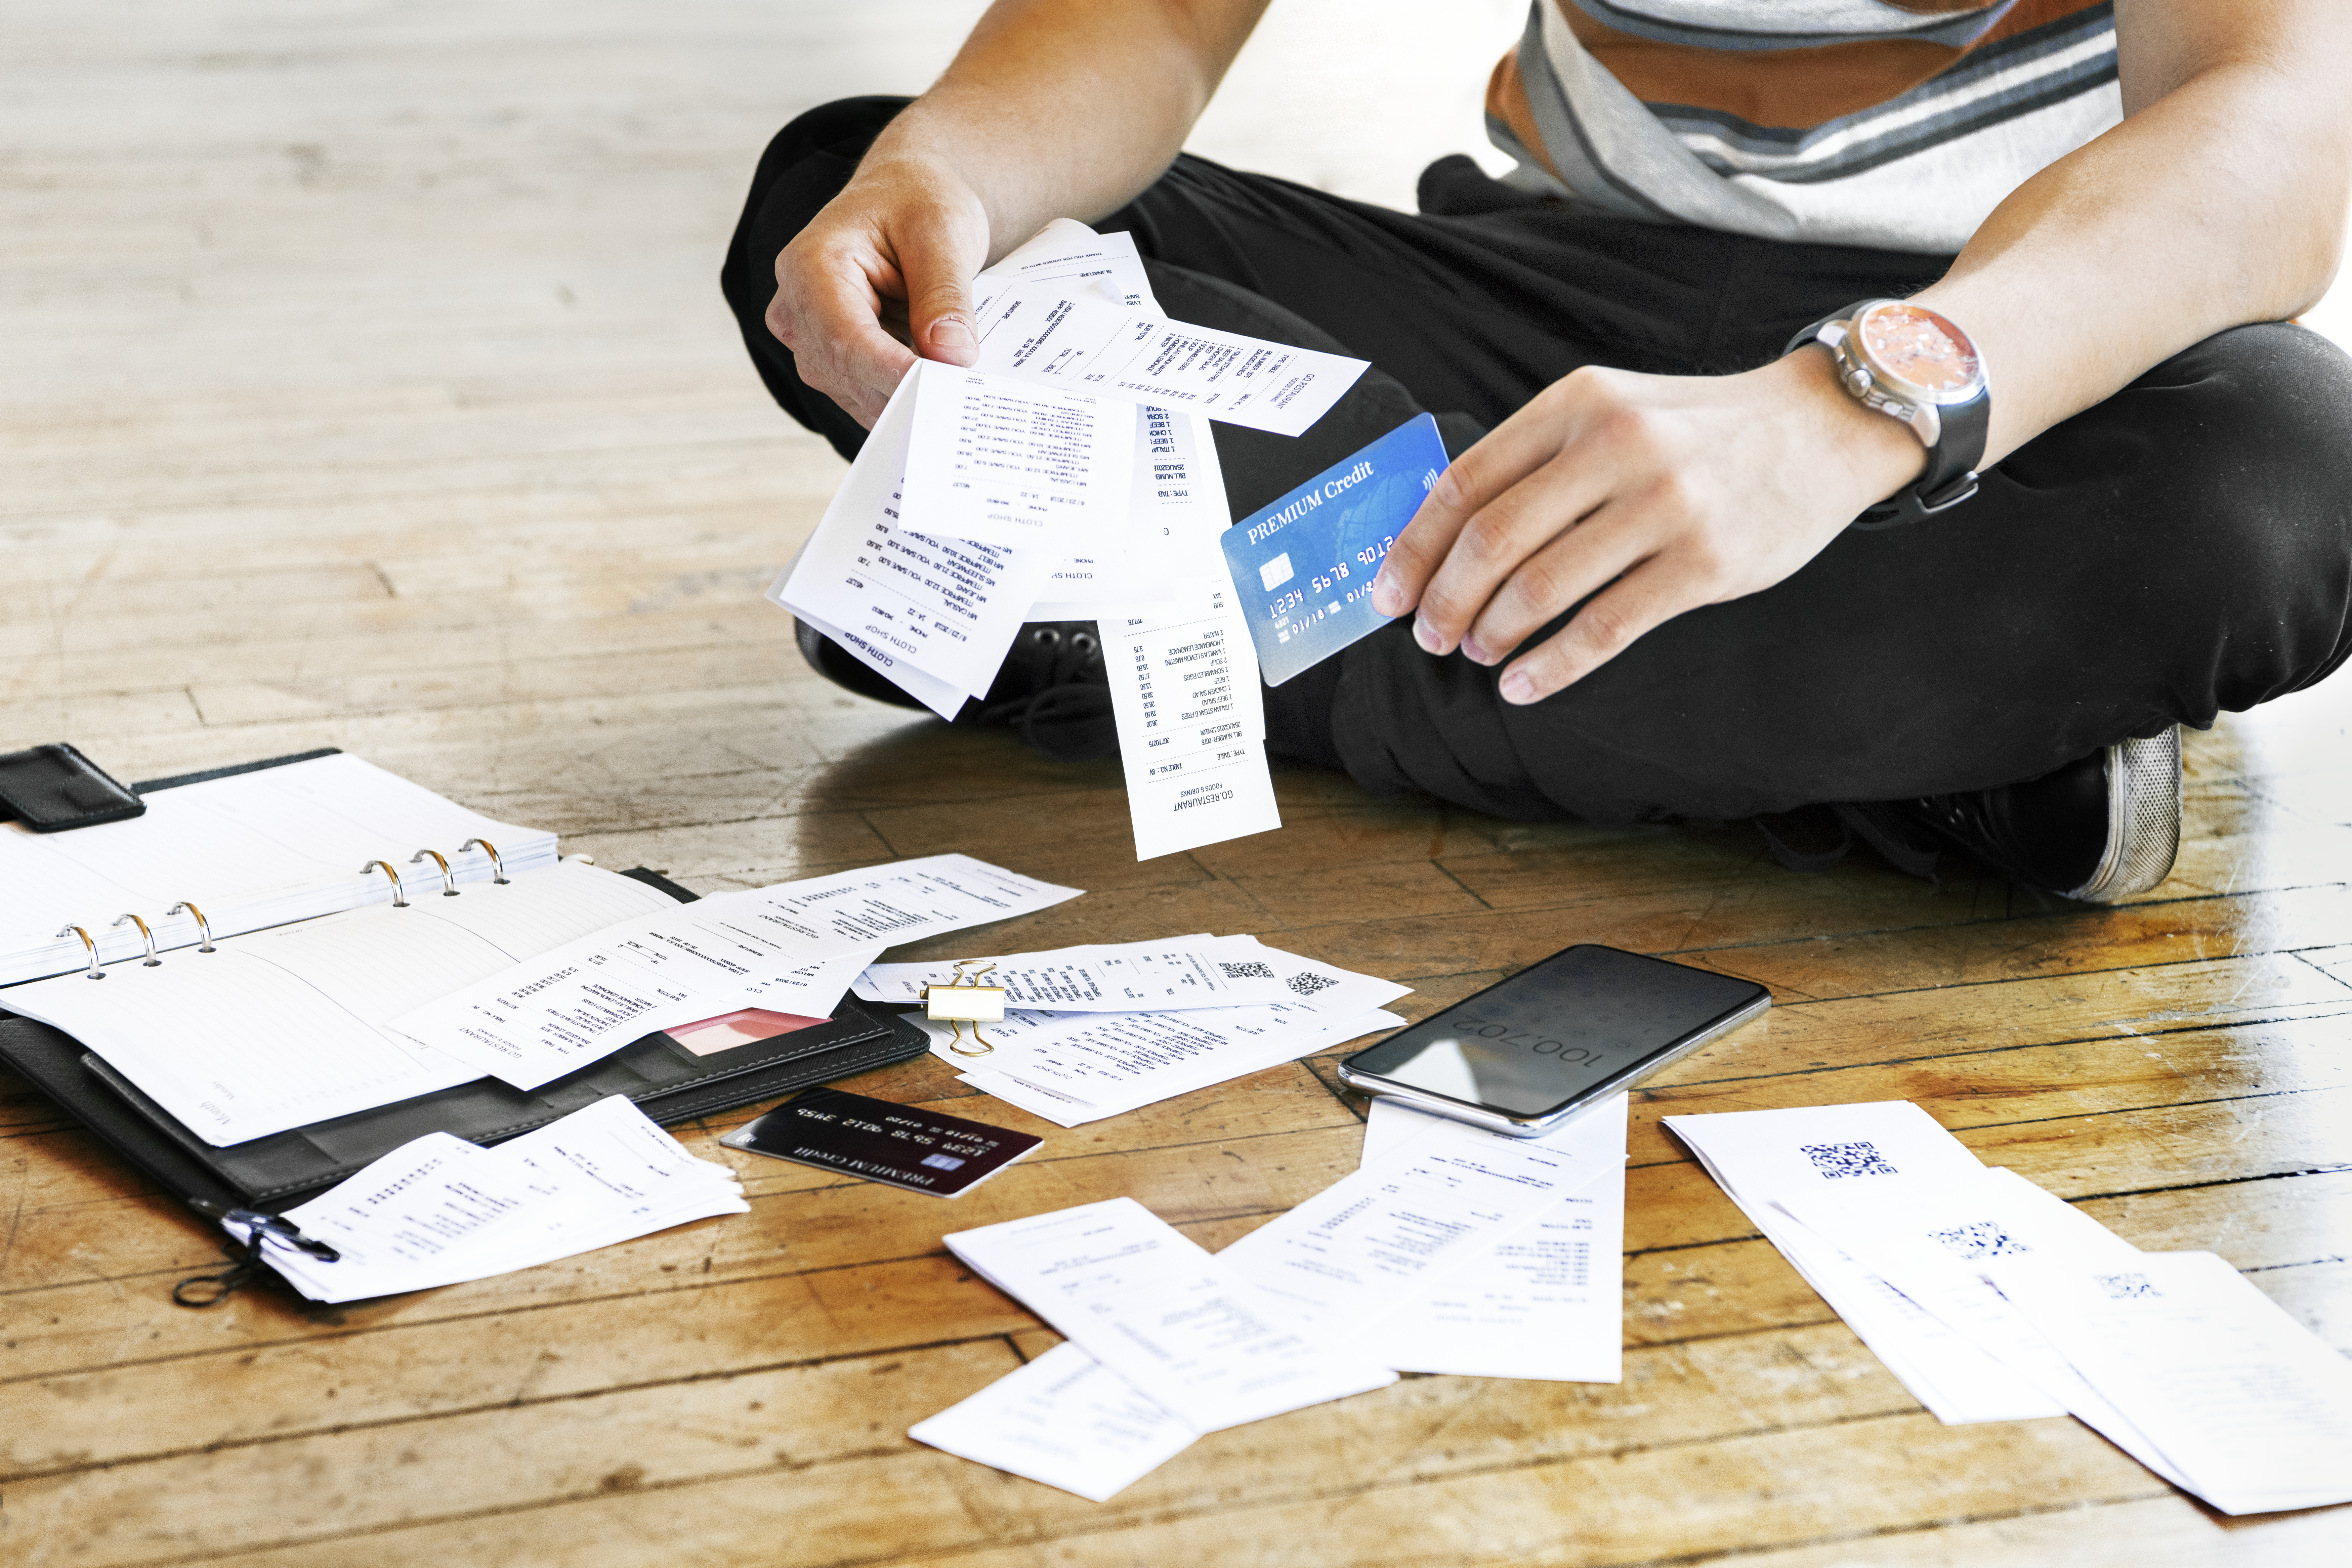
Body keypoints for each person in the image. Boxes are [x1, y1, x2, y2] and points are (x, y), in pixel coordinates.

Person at [722, 0, 2352, 900]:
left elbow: (2267, 122)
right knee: (844, 196)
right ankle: (1901, 775)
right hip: (1540, 305)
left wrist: (1850, 407)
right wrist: (939, 175)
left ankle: (1157, 643)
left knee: (2285, 473)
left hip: (2003, 334)